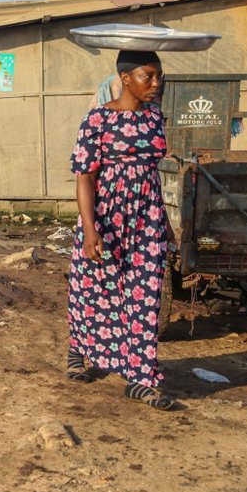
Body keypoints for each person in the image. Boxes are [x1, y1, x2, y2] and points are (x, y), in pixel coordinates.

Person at [66, 50, 176, 410]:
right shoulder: (98, 118)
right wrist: (89, 228)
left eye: (159, 76)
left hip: (147, 218)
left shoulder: (156, 117)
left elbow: (154, 175)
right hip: (107, 215)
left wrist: (166, 224)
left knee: (146, 295)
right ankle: (78, 349)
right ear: (125, 77)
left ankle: (140, 378)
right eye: (149, 76)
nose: (156, 83)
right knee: (95, 286)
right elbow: (85, 177)